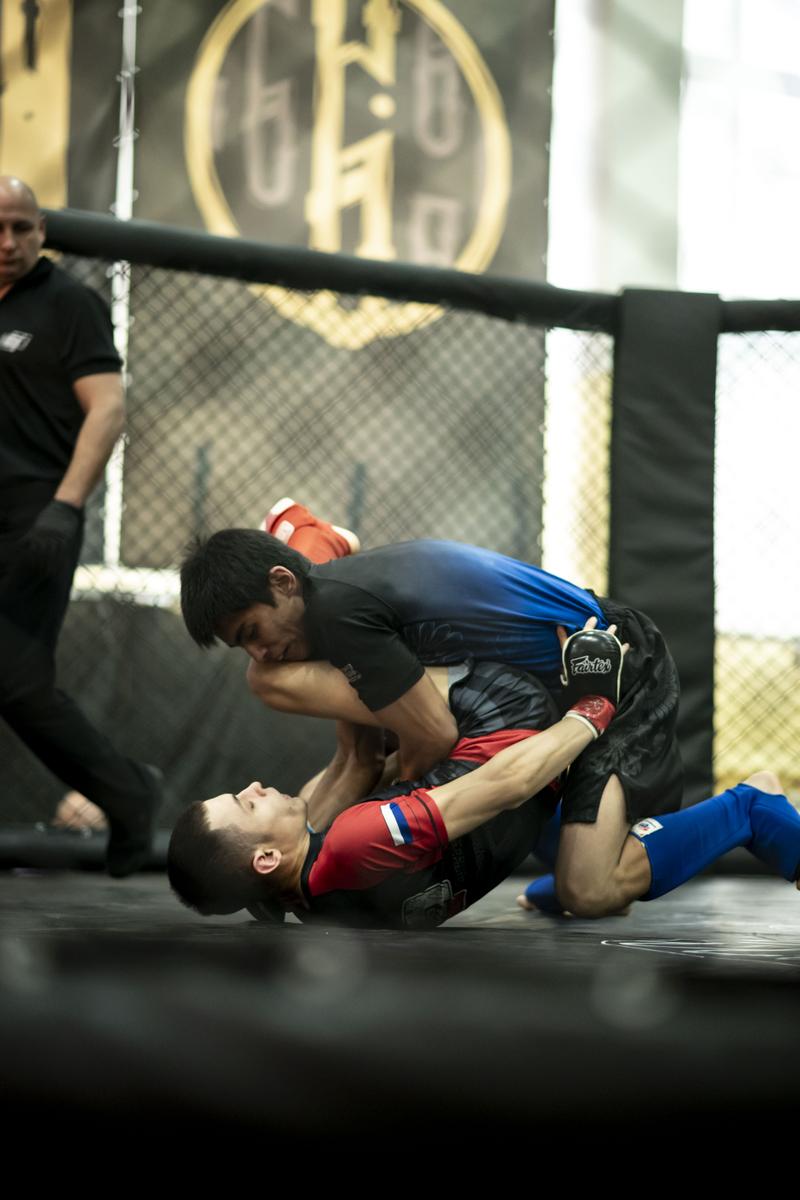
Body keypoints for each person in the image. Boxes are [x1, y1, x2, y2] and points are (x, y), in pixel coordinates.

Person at [179, 500, 681, 916]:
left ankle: (741, 809)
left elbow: (450, 747)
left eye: (252, 633)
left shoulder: (335, 612)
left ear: (283, 581)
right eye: (242, 643)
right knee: (350, 753)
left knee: (588, 889)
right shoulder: (320, 607)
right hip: (540, 685)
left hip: (609, 656)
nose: (259, 652)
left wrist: (594, 706)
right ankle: (587, 854)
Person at [167, 625, 800, 927]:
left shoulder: (324, 858)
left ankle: (751, 807)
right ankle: (579, 862)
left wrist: (593, 707)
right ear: (265, 861)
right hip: (514, 782)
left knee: (589, 890)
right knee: (573, 878)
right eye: (244, 805)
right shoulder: (317, 872)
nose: (252, 788)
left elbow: (497, 782)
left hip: (516, 734)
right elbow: (499, 789)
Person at [0, 175, 160, 876]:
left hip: (34, 520)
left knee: (18, 684)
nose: (9, 242)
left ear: (42, 232)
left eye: (22, 227)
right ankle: (128, 793)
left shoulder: (69, 303)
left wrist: (64, 508)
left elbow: (108, 409)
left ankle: (128, 793)